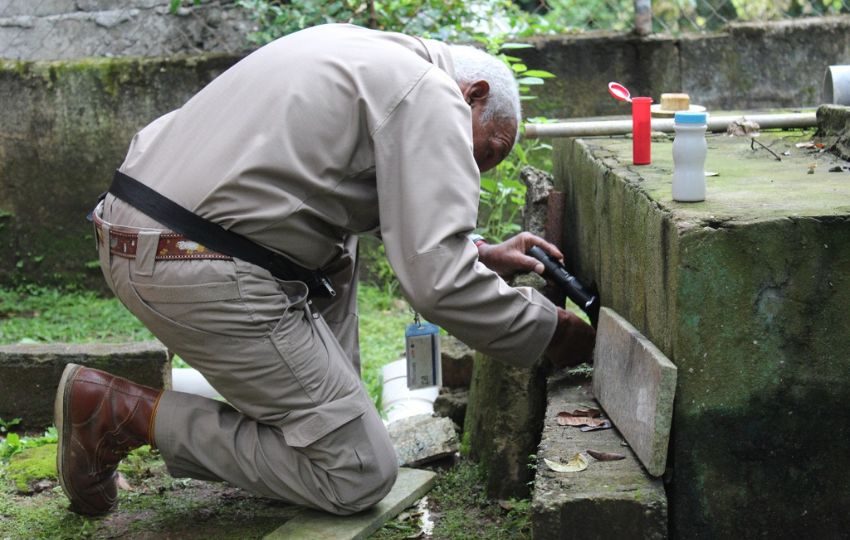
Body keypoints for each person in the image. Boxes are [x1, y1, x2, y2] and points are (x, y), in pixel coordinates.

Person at [54, 23, 596, 517]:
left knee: (342, 250)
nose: (472, 169)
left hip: (142, 234)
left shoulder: (362, 51)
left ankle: (315, 423)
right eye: (485, 151)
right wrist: (551, 330)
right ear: (472, 95)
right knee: (358, 473)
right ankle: (117, 413)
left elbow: (350, 187)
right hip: (196, 262)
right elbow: (438, 282)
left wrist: (477, 249)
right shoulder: (430, 91)